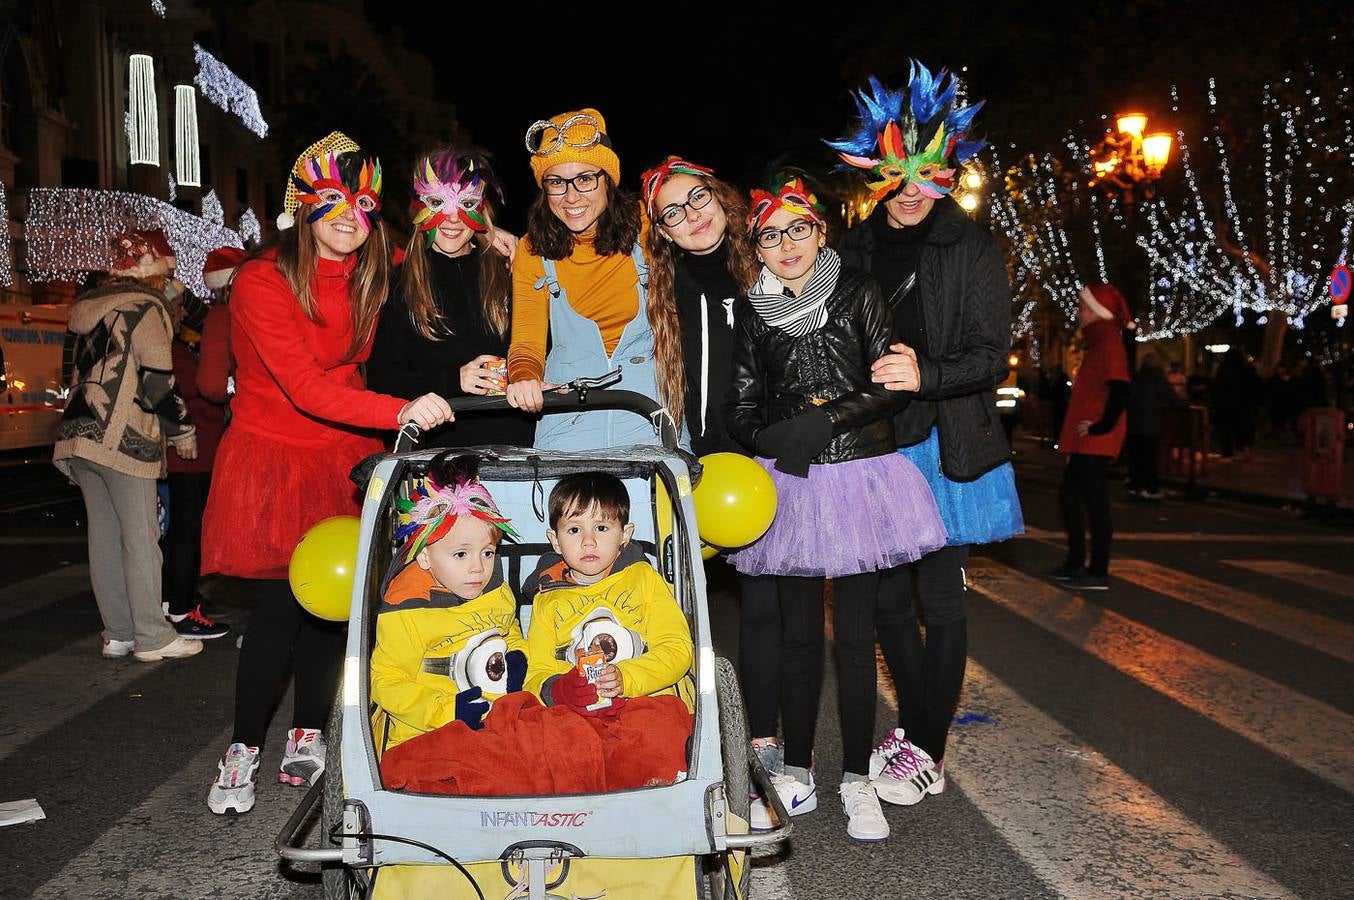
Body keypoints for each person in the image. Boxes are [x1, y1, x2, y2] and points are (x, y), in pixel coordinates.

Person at [201, 132, 454, 816]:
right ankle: (243, 746)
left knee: (333, 606)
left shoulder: (377, 268)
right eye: (332, 199)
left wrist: (498, 244)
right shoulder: (262, 279)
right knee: (282, 608)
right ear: (301, 206)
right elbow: (307, 388)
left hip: (344, 457)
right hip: (276, 458)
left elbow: (444, 250)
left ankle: (307, 732)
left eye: (364, 201)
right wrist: (402, 407)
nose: (350, 213)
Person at [725, 177, 947, 843]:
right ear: (757, 249)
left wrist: (826, 421)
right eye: (770, 234)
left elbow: (888, 383)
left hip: (858, 477)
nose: (786, 244)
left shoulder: (858, 293)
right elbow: (739, 405)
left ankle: (856, 778)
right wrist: (772, 438)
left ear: (821, 234)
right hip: (790, 482)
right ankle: (797, 768)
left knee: (855, 638)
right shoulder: (753, 312)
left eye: (798, 229)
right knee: (798, 637)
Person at [829, 61, 1024, 807]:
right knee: (881, 604)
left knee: (940, 599)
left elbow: (989, 351)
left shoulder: (971, 247)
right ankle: (915, 731)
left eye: (927, 175)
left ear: (947, 173)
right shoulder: (850, 249)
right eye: (896, 176)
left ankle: (925, 746)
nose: (911, 191)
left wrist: (927, 373)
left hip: (944, 443)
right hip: (875, 445)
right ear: (873, 174)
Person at [639, 154, 786, 819]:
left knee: (763, 609)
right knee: (673, 612)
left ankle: (762, 744)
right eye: (673, 210)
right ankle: (671, 744)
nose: (691, 215)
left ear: (722, 199)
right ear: (661, 231)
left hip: (758, 470)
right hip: (682, 469)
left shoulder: (767, 273)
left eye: (697, 198)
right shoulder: (654, 286)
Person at [53, 230, 203, 662]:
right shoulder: (145, 307)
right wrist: (182, 432)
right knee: (141, 537)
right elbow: (159, 379)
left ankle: (118, 632)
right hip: (123, 435)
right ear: (153, 271)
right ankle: (153, 637)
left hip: (80, 433)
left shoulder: (87, 309)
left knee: (105, 538)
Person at [505, 108, 682, 449]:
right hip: (568, 417)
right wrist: (524, 378)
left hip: (652, 413)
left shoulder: (647, 226)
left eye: (585, 178)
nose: (571, 197)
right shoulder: (531, 250)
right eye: (556, 182)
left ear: (608, 179)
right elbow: (526, 341)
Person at [367, 147, 533, 447]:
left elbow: (545, 349)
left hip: (515, 452)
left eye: (466, 203)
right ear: (418, 208)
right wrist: (453, 381)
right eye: (437, 202)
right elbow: (381, 380)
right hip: (437, 462)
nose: (453, 218)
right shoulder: (398, 284)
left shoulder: (510, 271)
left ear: (482, 210)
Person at [370, 452, 526, 754]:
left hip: (498, 720)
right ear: (425, 557)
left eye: (488, 553)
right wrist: (447, 711)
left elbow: (510, 636)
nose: (478, 568)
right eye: (461, 554)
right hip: (427, 733)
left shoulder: (496, 592)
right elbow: (386, 682)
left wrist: (520, 655)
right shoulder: (407, 611)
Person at [522, 471, 695, 713]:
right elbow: (537, 671)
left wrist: (628, 677)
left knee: (656, 739)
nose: (588, 541)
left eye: (601, 527)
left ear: (625, 534)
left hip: (646, 702)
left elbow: (677, 649)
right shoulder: (547, 598)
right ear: (556, 541)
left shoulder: (643, 579)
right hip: (576, 712)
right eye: (574, 530)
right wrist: (560, 690)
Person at [1047, 284, 1132, 591]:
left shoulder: (1108, 341)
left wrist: (1100, 427)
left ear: (1098, 312)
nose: (1079, 312)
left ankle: (1096, 571)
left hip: (1095, 440)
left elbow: (1121, 390)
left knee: (1093, 503)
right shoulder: (1099, 343)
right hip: (1088, 439)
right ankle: (1077, 564)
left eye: (1083, 307)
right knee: (1071, 498)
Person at [160, 285, 230, 639]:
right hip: (191, 451)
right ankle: (181, 608)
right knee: (187, 531)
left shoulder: (171, 346)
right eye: (176, 306)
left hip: (188, 450)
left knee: (179, 531)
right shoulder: (168, 350)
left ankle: (177, 599)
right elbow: (199, 390)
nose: (183, 313)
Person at [1126, 349, 1185, 500]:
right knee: (1149, 457)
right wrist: (1182, 403)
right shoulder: (1157, 378)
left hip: (1133, 424)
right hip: (1150, 423)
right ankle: (1149, 488)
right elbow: (1169, 396)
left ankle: (1135, 485)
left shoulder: (1136, 377)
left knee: (1136, 457)